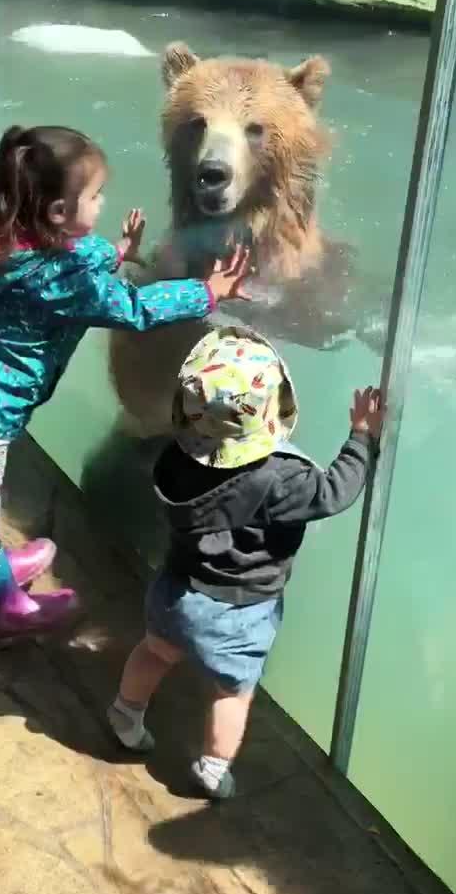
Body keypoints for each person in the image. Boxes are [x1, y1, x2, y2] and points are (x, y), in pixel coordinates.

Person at [0, 125, 250, 648]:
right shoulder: (60, 276)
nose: (102, 201)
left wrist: (115, 253)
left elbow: (64, 268)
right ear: (57, 213)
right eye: (93, 196)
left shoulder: (0, 239)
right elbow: (131, 309)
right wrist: (206, 292)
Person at [108, 324, 384, 800]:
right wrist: (361, 436)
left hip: (176, 591)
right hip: (241, 612)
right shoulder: (282, 477)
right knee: (231, 693)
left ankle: (125, 712)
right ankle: (213, 767)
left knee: (154, 651)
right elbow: (335, 491)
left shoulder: (174, 457)